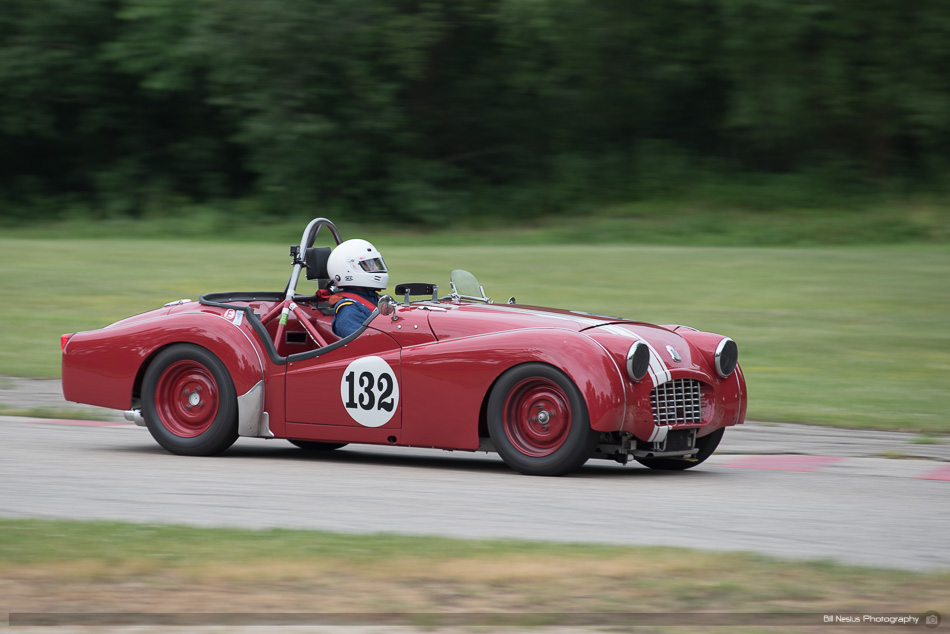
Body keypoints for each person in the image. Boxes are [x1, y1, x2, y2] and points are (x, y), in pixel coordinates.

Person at [325, 238, 389, 338]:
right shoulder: (349, 309)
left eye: (374, 264)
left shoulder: (381, 299)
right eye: (369, 265)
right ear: (348, 270)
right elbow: (362, 344)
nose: (376, 268)